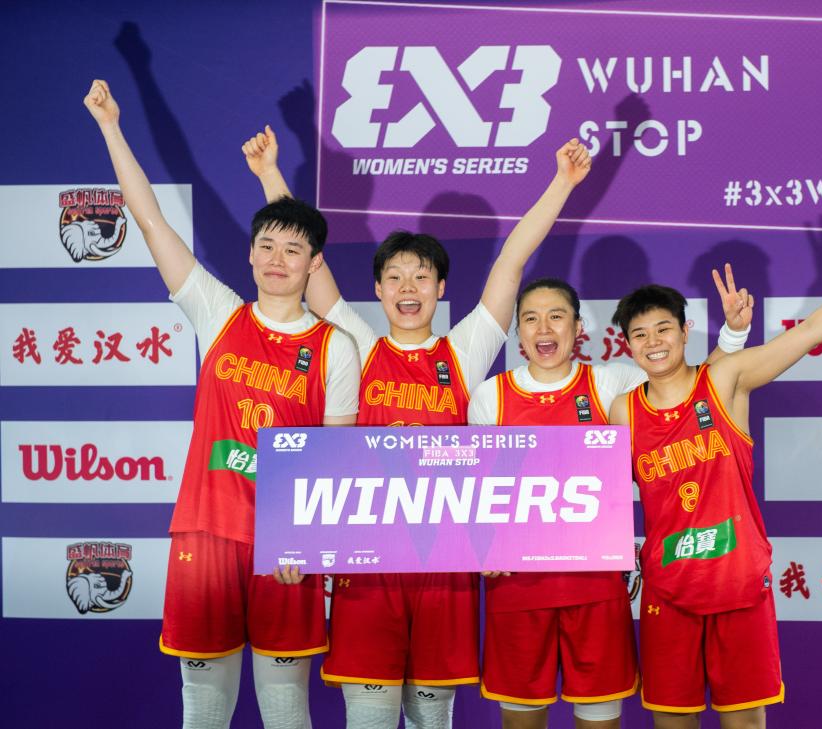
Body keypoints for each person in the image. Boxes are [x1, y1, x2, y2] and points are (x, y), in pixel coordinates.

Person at [243, 126, 594, 729]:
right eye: (396, 278)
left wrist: (562, 182)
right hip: (368, 566)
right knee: (371, 720)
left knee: (434, 721)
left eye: (422, 277)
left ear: (441, 289)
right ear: (377, 290)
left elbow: (511, 263)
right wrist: (272, 176)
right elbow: (307, 257)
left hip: (443, 568)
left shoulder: (463, 351)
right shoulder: (354, 343)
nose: (408, 289)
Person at [84, 80, 361, 729]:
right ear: (250, 252)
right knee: (204, 707)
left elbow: (336, 463)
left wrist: (304, 540)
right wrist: (111, 127)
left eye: (293, 250)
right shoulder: (219, 314)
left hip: (282, 549)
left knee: (285, 705)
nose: (276, 259)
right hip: (205, 534)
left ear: (313, 263)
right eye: (267, 245)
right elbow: (150, 220)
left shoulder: (336, 347)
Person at [609, 230, 822, 729]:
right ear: (626, 345)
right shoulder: (623, 410)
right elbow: (594, 493)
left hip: (736, 582)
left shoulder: (724, 380)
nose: (653, 342)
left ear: (686, 331)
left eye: (663, 329)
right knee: (671, 721)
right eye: (640, 334)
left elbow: (809, 332)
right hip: (668, 589)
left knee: (745, 722)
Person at [466, 273, 751, 729]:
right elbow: (478, 496)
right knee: (520, 720)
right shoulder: (490, 396)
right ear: (518, 331)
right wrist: (483, 546)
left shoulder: (612, 382)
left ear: (578, 327)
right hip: (518, 589)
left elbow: (693, 387)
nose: (544, 329)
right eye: (531, 319)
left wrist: (733, 335)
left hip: (596, 585)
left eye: (556, 316)